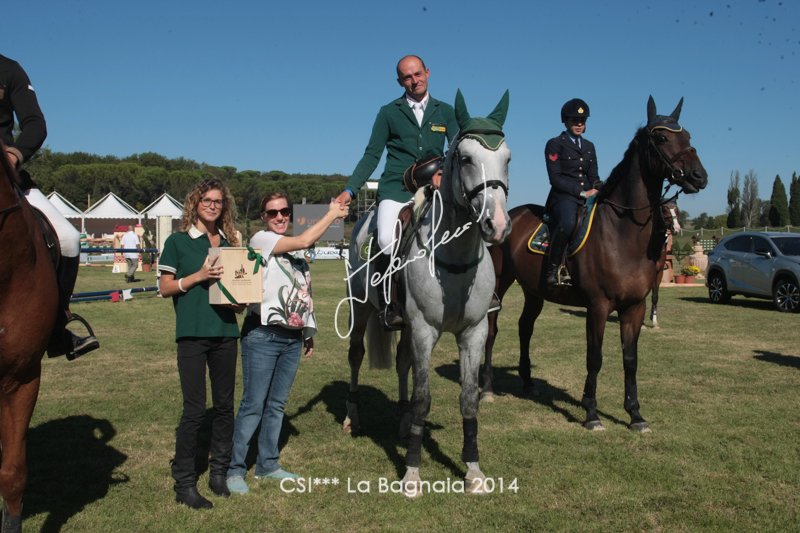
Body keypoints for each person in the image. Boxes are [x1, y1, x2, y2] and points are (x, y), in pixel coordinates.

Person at [226, 193, 347, 494]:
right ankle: (235, 469)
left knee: (277, 405)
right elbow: (305, 239)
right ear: (263, 217)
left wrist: (307, 331)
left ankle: (267, 464)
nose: (280, 216)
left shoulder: (294, 252)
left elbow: (302, 290)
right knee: (253, 404)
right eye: (272, 212)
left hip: (291, 338)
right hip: (262, 334)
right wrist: (332, 213)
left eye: (284, 211)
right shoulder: (262, 239)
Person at [335, 54, 458, 330]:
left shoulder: (446, 111)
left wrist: (445, 174)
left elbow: (457, 150)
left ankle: (478, 294)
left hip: (434, 188)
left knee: (466, 227)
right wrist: (350, 189)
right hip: (396, 188)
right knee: (387, 240)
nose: (414, 80)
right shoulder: (388, 112)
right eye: (407, 77)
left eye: (418, 74)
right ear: (399, 82)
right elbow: (371, 155)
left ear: (427, 72)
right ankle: (390, 304)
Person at [1, 53, 98, 358]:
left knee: (68, 238)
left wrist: (14, 154)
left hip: (6, 174)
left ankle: (58, 327)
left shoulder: (9, 70)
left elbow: (34, 123)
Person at [158, 178, 242, 510]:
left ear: (224, 206)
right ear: (195, 203)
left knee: (224, 407)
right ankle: (185, 482)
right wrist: (198, 276)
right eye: (206, 200)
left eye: (218, 201)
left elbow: (238, 291)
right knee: (194, 410)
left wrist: (241, 301)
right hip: (192, 334)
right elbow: (165, 287)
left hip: (226, 333)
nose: (212, 206)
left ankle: (218, 473)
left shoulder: (231, 242)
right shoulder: (177, 241)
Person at [544, 98, 602, 288]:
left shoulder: (590, 146)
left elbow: (594, 176)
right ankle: (553, 269)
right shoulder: (555, 144)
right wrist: (582, 192)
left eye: (582, 121)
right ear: (566, 121)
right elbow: (555, 178)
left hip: (589, 196)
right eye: (574, 120)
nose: (579, 124)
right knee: (568, 223)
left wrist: (600, 187)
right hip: (564, 197)